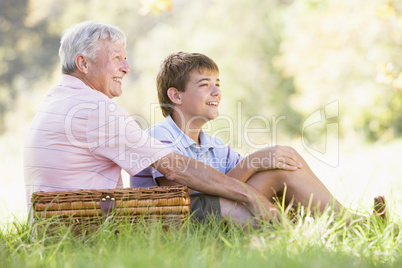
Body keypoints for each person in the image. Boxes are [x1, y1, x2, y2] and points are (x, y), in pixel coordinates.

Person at [24, 21, 303, 225]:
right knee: (263, 206)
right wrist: (252, 196)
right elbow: (175, 168)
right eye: (116, 58)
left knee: (271, 187)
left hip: (64, 224)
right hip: (87, 228)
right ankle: (324, 228)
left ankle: (330, 224)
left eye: (125, 58)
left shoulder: (59, 100)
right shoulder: (93, 107)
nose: (126, 67)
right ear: (83, 64)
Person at [131, 51, 387, 225]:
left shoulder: (213, 145)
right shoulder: (159, 136)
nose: (217, 91)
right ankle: (351, 224)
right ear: (175, 96)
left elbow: (234, 184)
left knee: (282, 161)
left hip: (214, 213)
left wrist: (264, 162)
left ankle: (343, 223)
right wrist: (252, 162)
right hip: (178, 221)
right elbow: (180, 198)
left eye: (218, 83)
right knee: (277, 170)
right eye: (204, 84)